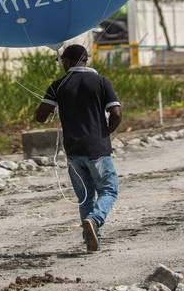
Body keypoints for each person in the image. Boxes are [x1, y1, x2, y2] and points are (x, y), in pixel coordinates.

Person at [34, 44, 121, 253]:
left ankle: (91, 239)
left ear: (68, 61)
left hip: (73, 152)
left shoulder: (58, 85)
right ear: (86, 59)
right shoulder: (101, 82)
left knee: (85, 197)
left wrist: (54, 106)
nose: (61, 64)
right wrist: (105, 133)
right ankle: (95, 220)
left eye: (61, 61)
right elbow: (116, 113)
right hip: (98, 149)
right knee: (109, 190)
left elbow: (40, 117)